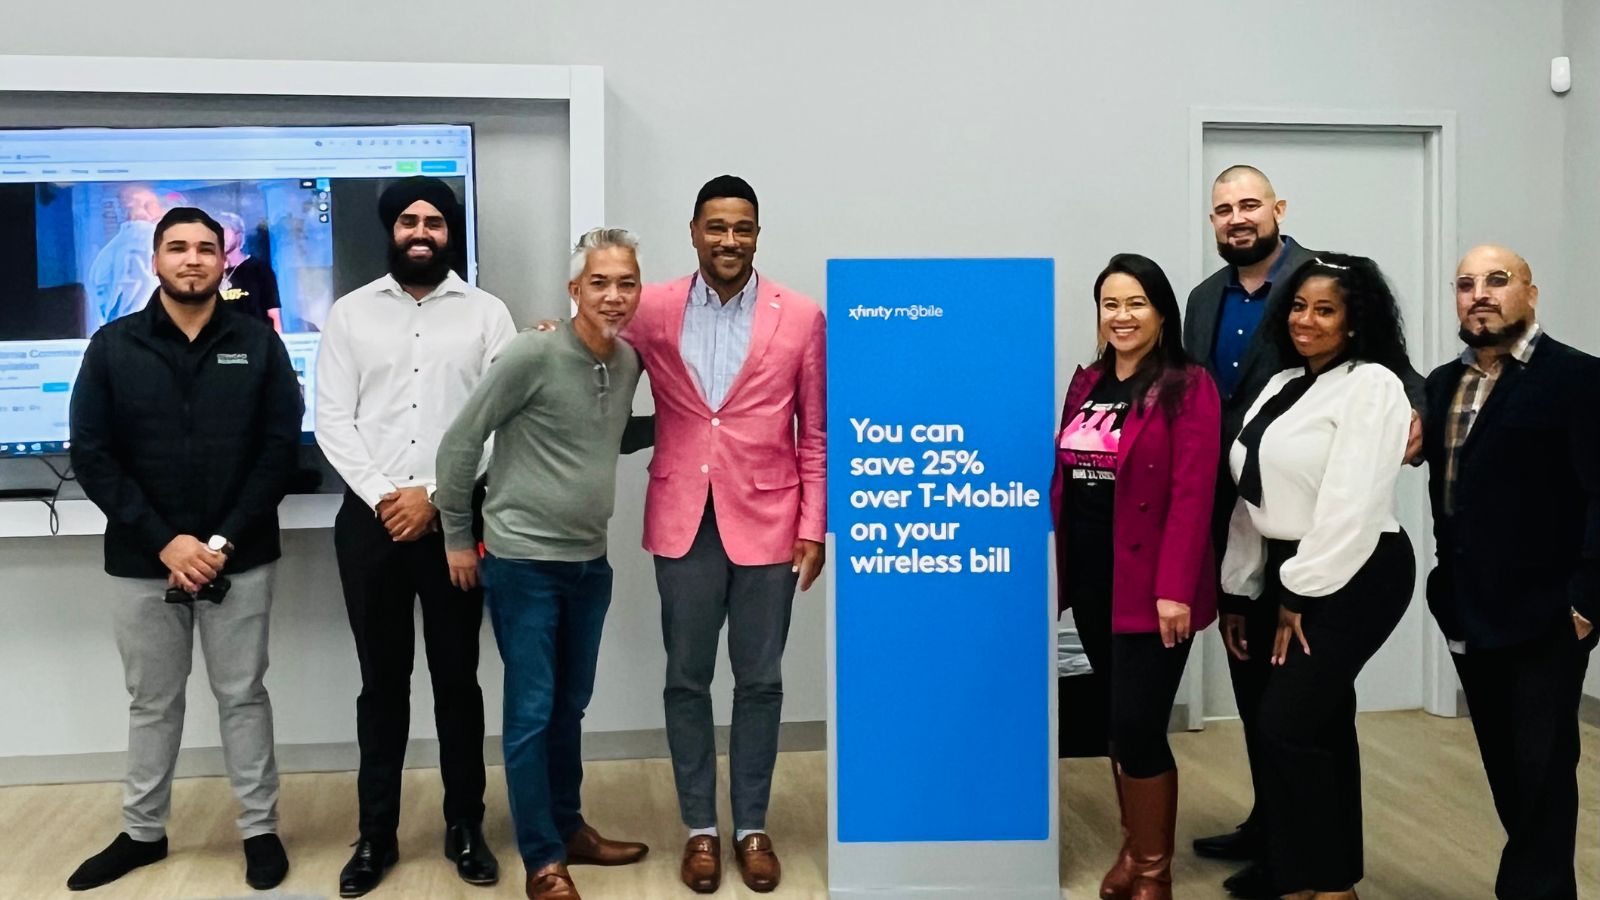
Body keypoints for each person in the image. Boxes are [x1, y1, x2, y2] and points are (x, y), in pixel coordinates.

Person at [1183, 166, 1423, 899]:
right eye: (1223, 208)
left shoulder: (1370, 381)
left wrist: (1293, 591)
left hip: (1345, 564)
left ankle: (1321, 876)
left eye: (1324, 311)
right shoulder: (1268, 365)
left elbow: (1353, 500)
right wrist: (1241, 582)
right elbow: (1249, 476)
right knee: (1301, 722)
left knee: (1292, 720)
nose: (1305, 320)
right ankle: (1302, 867)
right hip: (1269, 553)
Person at [67, 207, 301, 892]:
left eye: (205, 248)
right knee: (152, 701)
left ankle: (259, 831)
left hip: (242, 556)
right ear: (156, 260)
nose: (193, 259)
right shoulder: (112, 346)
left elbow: (278, 451)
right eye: (178, 248)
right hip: (144, 560)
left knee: (243, 695)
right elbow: (93, 454)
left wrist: (219, 541)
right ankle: (143, 833)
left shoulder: (259, 344)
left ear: (224, 260)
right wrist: (167, 541)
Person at [434, 227, 654, 900]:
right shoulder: (531, 352)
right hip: (523, 563)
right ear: (573, 290)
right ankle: (542, 861)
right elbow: (460, 445)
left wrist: (694, 424)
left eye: (626, 284)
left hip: (590, 564)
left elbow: (607, 438)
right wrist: (456, 537)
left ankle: (569, 829)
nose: (613, 296)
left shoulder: (626, 363)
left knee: (569, 708)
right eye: (599, 283)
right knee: (531, 712)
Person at [314, 176, 512, 896]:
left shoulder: (488, 314)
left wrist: (432, 495)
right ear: (390, 230)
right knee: (381, 685)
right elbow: (332, 417)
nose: (420, 230)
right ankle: (376, 837)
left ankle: (466, 827)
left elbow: (498, 420)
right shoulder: (349, 314)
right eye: (407, 221)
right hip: (370, 529)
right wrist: (385, 497)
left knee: (458, 682)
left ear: (449, 233)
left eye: (433, 220)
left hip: (456, 523)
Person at [633, 175, 826, 895]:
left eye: (742, 228)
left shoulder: (801, 316)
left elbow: (817, 431)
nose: (729, 240)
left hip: (772, 522)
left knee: (761, 680)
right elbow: (597, 356)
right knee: (685, 679)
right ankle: (699, 831)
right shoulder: (651, 308)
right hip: (683, 518)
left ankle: (750, 824)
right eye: (716, 227)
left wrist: (814, 526)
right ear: (693, 232)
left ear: (757, 234)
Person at [1422, 245, 1599, 900]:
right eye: (1465, 284)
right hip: (1471, 611)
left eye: (1498, 280)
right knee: (1509, 772)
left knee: (1544, 773)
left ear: (1531, 292)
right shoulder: (1443, 384)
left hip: (1549, 615)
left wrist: (1586, 601)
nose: (1480, 294)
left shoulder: (1577, 379)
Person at [1051, 253, 1220, 900]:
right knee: (1117, 725)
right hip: (1094, 577)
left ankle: (1154, 870)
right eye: (1110, 304)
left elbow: (1192, 491)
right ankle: (1134, 847)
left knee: (1140, 725)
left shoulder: (1186, 384)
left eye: (1136, 304)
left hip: (1154, 587)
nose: (1122, 317)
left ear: (1161, 312)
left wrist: (1175, 587)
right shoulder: (1088, 382)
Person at [86, 184, 170, 330]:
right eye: (155, 204)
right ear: (140, 208)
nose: (163, 210)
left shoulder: (108, 252)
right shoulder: (145, 241)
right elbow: (139, 300)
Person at [216, 211, 283, 332]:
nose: (221, 235)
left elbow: (273, 314)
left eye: (226, 229)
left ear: (239, 234)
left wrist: (277, 347)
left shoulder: (260, 270)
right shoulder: (209, 271)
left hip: (254, 344)